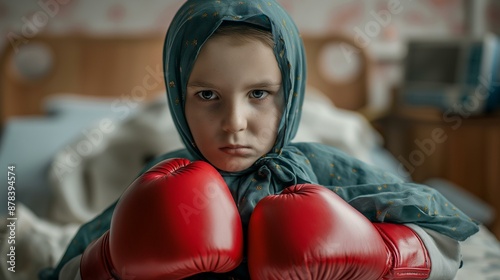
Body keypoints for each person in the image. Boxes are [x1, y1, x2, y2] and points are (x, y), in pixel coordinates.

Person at [40, 0, 479, 279]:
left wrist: (386, 254)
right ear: (177, 97)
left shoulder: (325, 169)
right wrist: (114, 264)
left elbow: (450, 246)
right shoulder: (160, 181)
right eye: (207, 95)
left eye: (259, 94)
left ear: (290, 97)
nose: (234, 122)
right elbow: (69, 268)